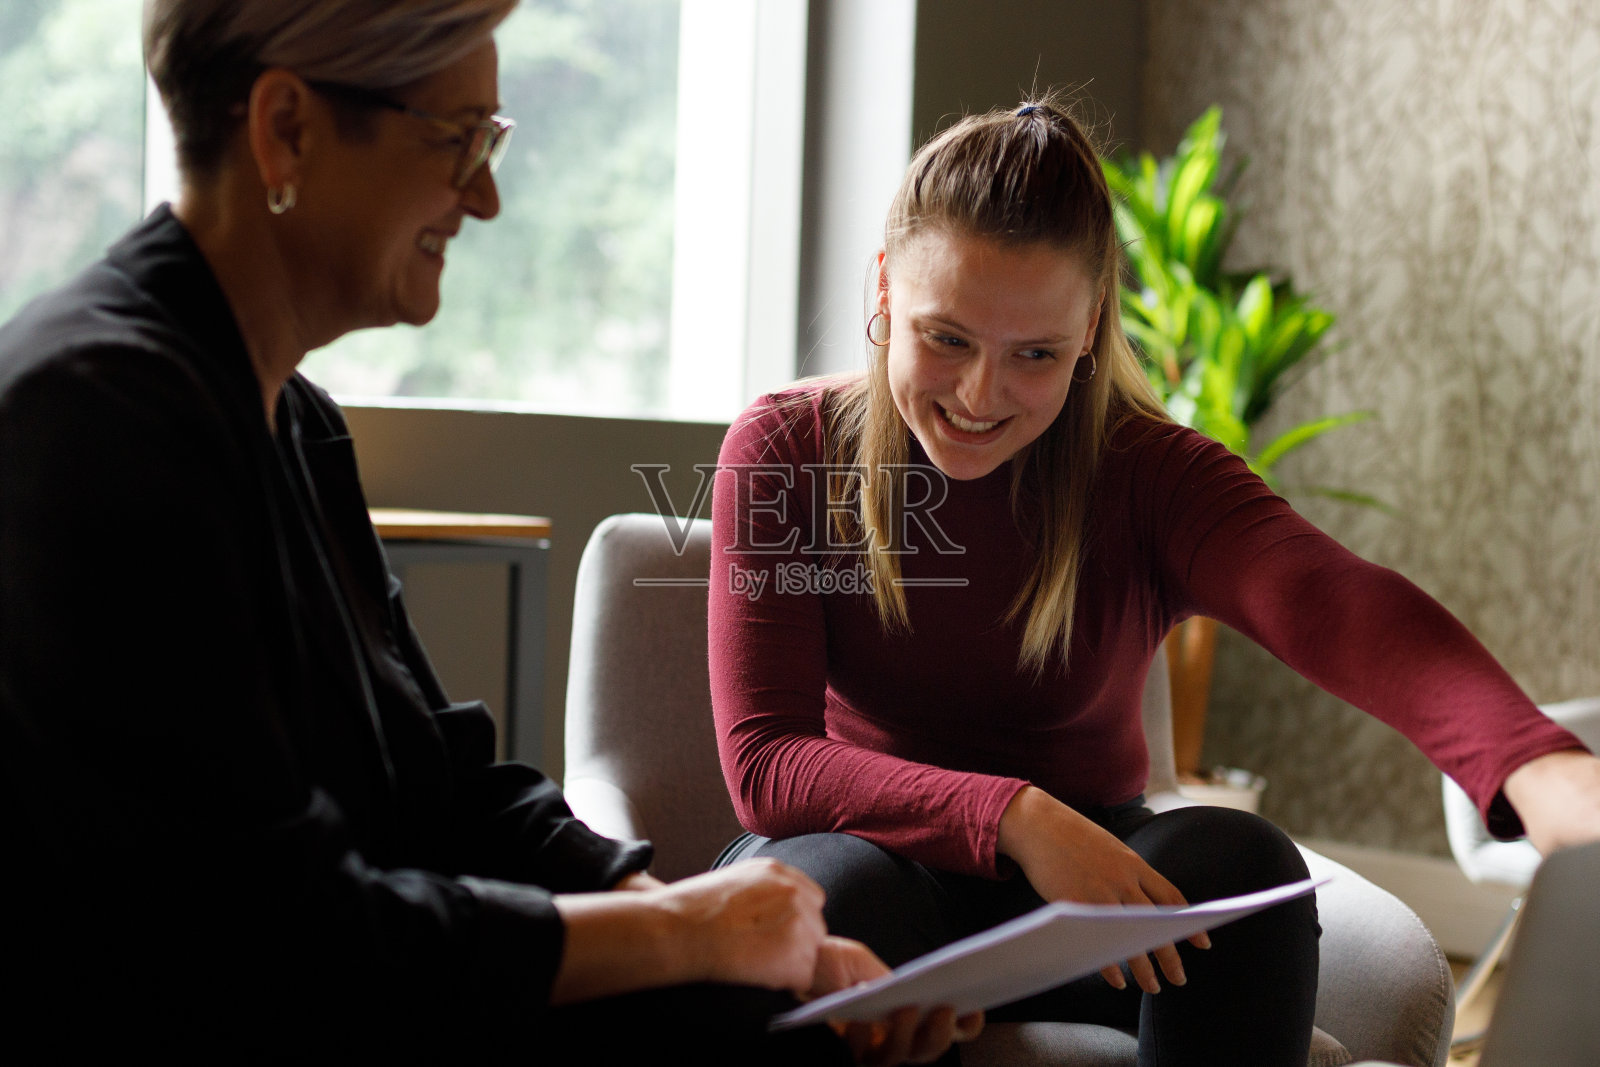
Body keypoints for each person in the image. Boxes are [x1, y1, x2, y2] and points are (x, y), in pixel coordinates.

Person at [0, 1, 982, 1062]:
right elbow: (271, 935)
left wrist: (699, 925)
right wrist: (684, 931)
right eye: (457, 138)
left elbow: (443, 783)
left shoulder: (294, 420)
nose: (486, 194)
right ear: (286, 127)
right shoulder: (94, 413)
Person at [708, 96, 1600, 1065]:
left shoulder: (1150, 473)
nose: (977, 395)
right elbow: (768, 760)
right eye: (947, 338)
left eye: (1035, 355)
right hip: (871, 866)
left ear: (1090, 326)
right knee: (829, 893)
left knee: (1235, 861)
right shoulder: (787, 446)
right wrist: (1012, 813)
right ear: (884, 288)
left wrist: (1533, 764)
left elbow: (1328, 598)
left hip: (1082, 896)